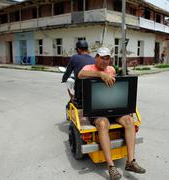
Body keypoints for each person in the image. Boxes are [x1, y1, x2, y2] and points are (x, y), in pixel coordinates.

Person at [78, 47, 146, 180]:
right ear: (96, 57)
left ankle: (130, 162)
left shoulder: (111, 69)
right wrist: (100, 74)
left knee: (129, 121)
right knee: (103, 123)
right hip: (96, 110)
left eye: (107, 58)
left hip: (113, 107)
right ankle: (111, 167)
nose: (104, 61)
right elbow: (81, 74)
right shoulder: (89, 67)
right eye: (102, 58)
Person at [62, 40, 95, 104]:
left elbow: (68, 72)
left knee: (70, 104)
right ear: (87, 49)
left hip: (79, 93)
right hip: (92, 91)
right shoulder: (93, 59)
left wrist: (64, 79)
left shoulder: (74, 58)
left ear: (79, 49)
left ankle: (74, 100)